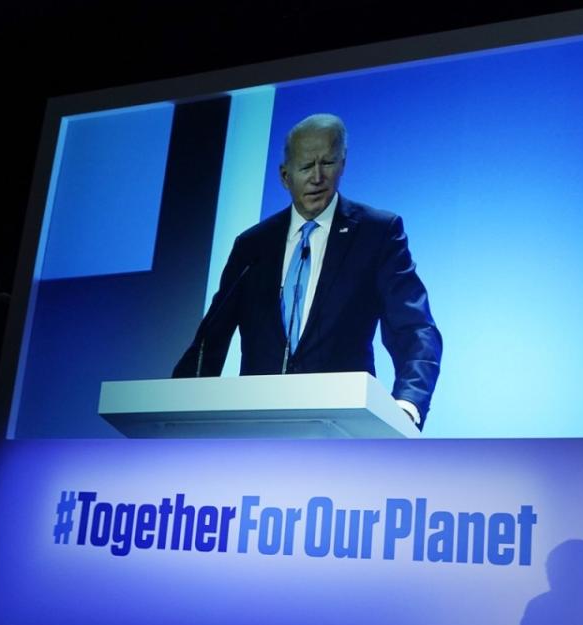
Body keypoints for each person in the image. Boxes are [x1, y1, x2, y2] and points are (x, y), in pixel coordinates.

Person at [173, 113, 441, 428]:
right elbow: (210, 339)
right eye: (305, 167)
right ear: (284, 176)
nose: (317, 177)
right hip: (257, 429)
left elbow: (414, 328)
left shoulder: (376, 233)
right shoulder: (252, 246)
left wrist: (407, 404)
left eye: (327, 163)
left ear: (343, 163)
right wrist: (175, 410)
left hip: (341, 426)